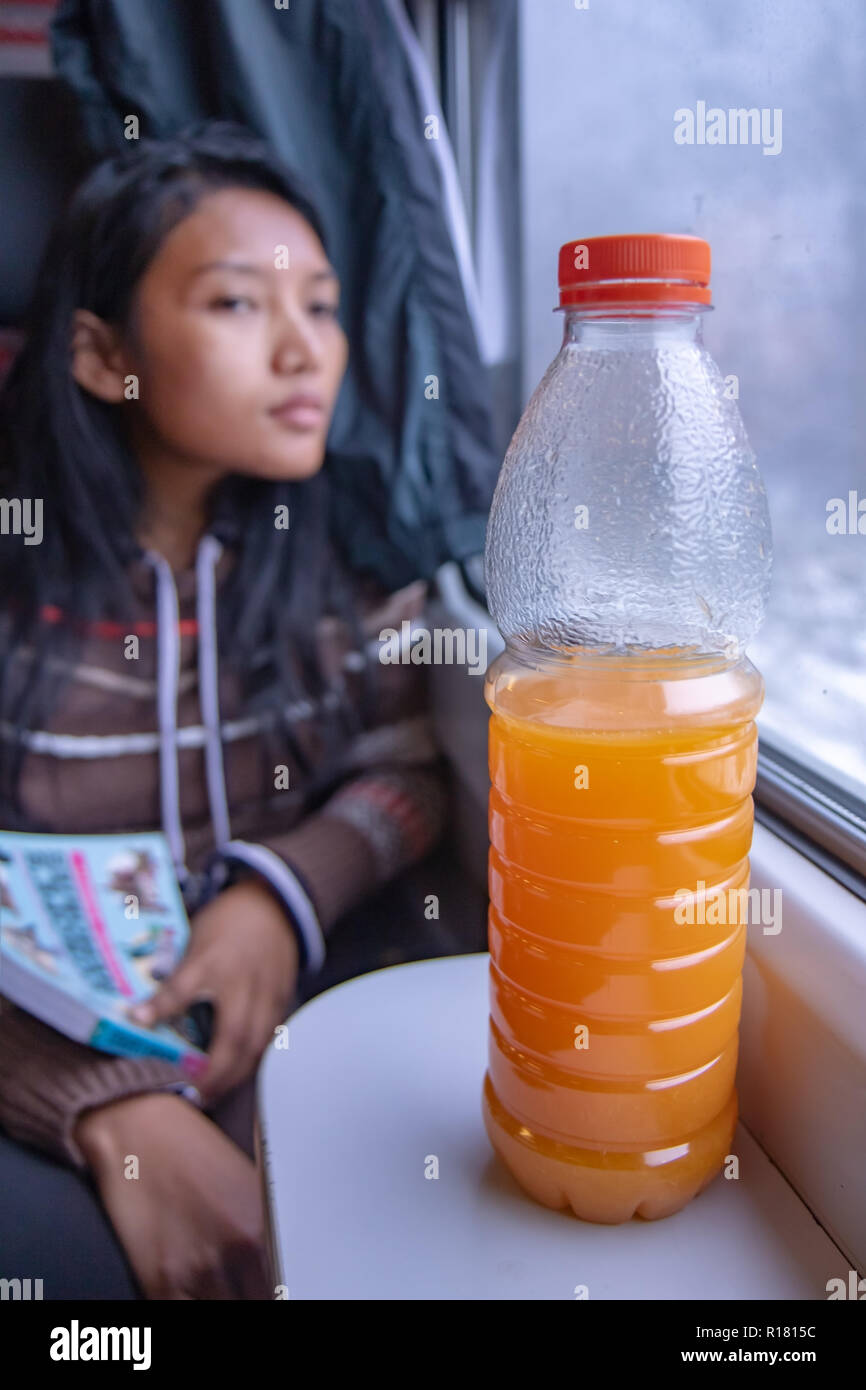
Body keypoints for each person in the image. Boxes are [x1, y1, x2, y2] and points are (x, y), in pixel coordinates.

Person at [0, 123, 463, 1299]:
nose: (307, 350)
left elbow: (405, 770)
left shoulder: (333, 583)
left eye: (321, 304)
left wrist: (276, 893)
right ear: (106, 358)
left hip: (254, 1025)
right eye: (237, 306)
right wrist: (105, 1107)